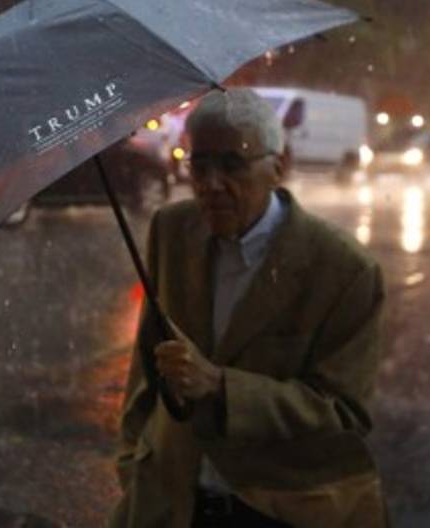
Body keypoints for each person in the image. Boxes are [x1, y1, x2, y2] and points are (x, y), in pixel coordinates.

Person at [110, 89, 388, 528]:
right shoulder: (172, 229)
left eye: (232, 165)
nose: (211, 184)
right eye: (199, 165)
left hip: (283, 506)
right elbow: (146, 369)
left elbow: (345, 411)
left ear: (280, 167)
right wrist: (134, 457)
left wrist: (221, 386)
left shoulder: (343, 270)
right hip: (172, 499)